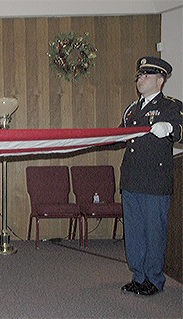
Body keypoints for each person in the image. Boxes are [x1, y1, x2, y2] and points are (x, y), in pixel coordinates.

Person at [119, 56, 183, 296]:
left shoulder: (171, 106)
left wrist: (171, 129)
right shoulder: (132, 109)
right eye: (139, 75)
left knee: (154, 232)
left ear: (160, 80)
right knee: (134, 233)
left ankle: (154, 280)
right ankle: (138, 276)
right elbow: (119, 136)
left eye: (146, 75)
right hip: (132, 180)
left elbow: (182, 131)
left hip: (155, 182)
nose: (140, 79)